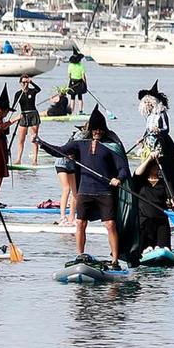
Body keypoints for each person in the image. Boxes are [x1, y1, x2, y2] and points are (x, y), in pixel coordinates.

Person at [39, 106, 130, 266]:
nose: (98, 132)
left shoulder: (111, 145)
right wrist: (42, 143)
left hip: (105, 192)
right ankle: (80, 256)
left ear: (104, 129)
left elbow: (123, 168)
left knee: (110, 224)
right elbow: (59, 151)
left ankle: (115, 259)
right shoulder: (79, 144)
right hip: (85, 191)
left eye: (100, 129)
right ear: (91, 130)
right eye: (95, 129)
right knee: (80, 223)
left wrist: (118, 179)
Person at [131, 155, 174, 254]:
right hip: (144, 222)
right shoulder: (140, 182)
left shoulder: (164, 182)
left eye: (157, 166)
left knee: (164, 249)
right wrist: (149, 158)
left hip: (161, 222)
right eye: (153, 166)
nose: (155, 168)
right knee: (147, 248)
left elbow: (172, 196)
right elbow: (137, 173)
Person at [13, 76, 43, 166]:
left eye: (26, 82)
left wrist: (31, 82)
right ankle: (18, 159)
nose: (25, 84)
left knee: (34, 138)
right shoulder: (18, 94)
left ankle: (35, 160)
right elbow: (14, 106)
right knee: (21, 139)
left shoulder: (32, 91)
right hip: (23, 115)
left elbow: (39, 89)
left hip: (33, 115)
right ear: (20, 83)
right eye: (23, 82)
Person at [66, 50, 89, 115]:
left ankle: (71, 112)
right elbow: (83, 77)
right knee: (80, 97)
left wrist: (71, 82)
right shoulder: (81, 65)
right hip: (80, 82)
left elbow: (69, 75)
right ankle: (80, 111)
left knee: (72, 97)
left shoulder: (70, 65)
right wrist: (85, 84)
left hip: (72, 82)